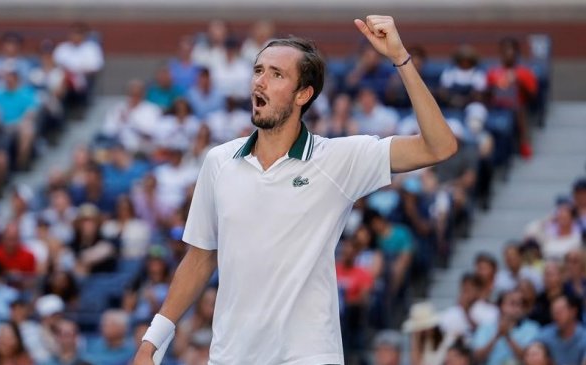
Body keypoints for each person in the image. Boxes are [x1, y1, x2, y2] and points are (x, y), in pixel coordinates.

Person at [135, 15, 458, 364]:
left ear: (303, 94)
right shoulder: (218, 161)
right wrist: (152, 340)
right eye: (258, 70)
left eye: (276, 75)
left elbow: (438, 147)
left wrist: (400, 57)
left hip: (309, 355)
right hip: (230, 356)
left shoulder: (338, 159)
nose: (260, 81)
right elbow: (199, 258)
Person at [486, 37, 537, 159]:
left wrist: (519, 82)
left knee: (519, 110)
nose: (508, 54)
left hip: (517, 108)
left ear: (516, 53)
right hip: (496, 107)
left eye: (511, 50)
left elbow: (533, 97)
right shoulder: (493, 72)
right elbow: (487, 93)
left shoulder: (525, 72)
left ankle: (523, 143)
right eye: (505, 50)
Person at [472, 289, 540, 365]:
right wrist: (496, 336)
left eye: (521, 304)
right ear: (501, 305)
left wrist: (508, 337)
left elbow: (528, 359)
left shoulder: (532, 328)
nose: (518, 308)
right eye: (513, 303)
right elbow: (477, 358)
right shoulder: (485, 327)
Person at [535, 295, 586, 365]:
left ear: (573, 311)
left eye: (559, 312)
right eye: (553, 312)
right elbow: (531, 350)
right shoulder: (548, 332)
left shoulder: (584, 336)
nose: (555, 316)